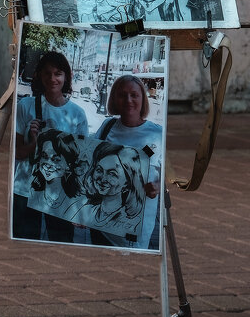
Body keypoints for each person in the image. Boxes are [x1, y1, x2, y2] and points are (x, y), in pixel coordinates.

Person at [13, 51, 89, 241]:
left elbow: (82, 163)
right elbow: (18, 154)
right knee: (25, 244)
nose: (52, 78)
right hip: (25, 189)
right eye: (47, 73)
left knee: (61, 244)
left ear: (66, 77)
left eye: (58, 73)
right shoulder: (26, 106)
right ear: (39, 75)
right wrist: (35, 143)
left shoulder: (77, 114)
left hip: (60, 192)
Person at [92, 74, 163, 247]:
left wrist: (158, 186)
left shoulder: (158, 134)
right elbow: (90, 163)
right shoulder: (107, 126)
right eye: (122, 95)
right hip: (101, 226)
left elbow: (172, 176)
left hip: (135, 230)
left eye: (134, 95)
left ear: (142, 99)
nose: (128, 100)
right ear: (114, 99)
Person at [76, 141, 153, 248]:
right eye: (99, 170)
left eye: (112, 173)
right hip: (97, 233)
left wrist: (157, 185)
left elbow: (166, 175)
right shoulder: (89, 211)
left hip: (125, 243)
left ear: (128, 183)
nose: (103, 179)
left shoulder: (131, 221)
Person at [26, 129, 85, 242]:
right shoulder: (34, 191)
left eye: (56, 159)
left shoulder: (70, 200)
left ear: (69, 164)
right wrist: (34, 140)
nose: (49, 164)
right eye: (44, 156)